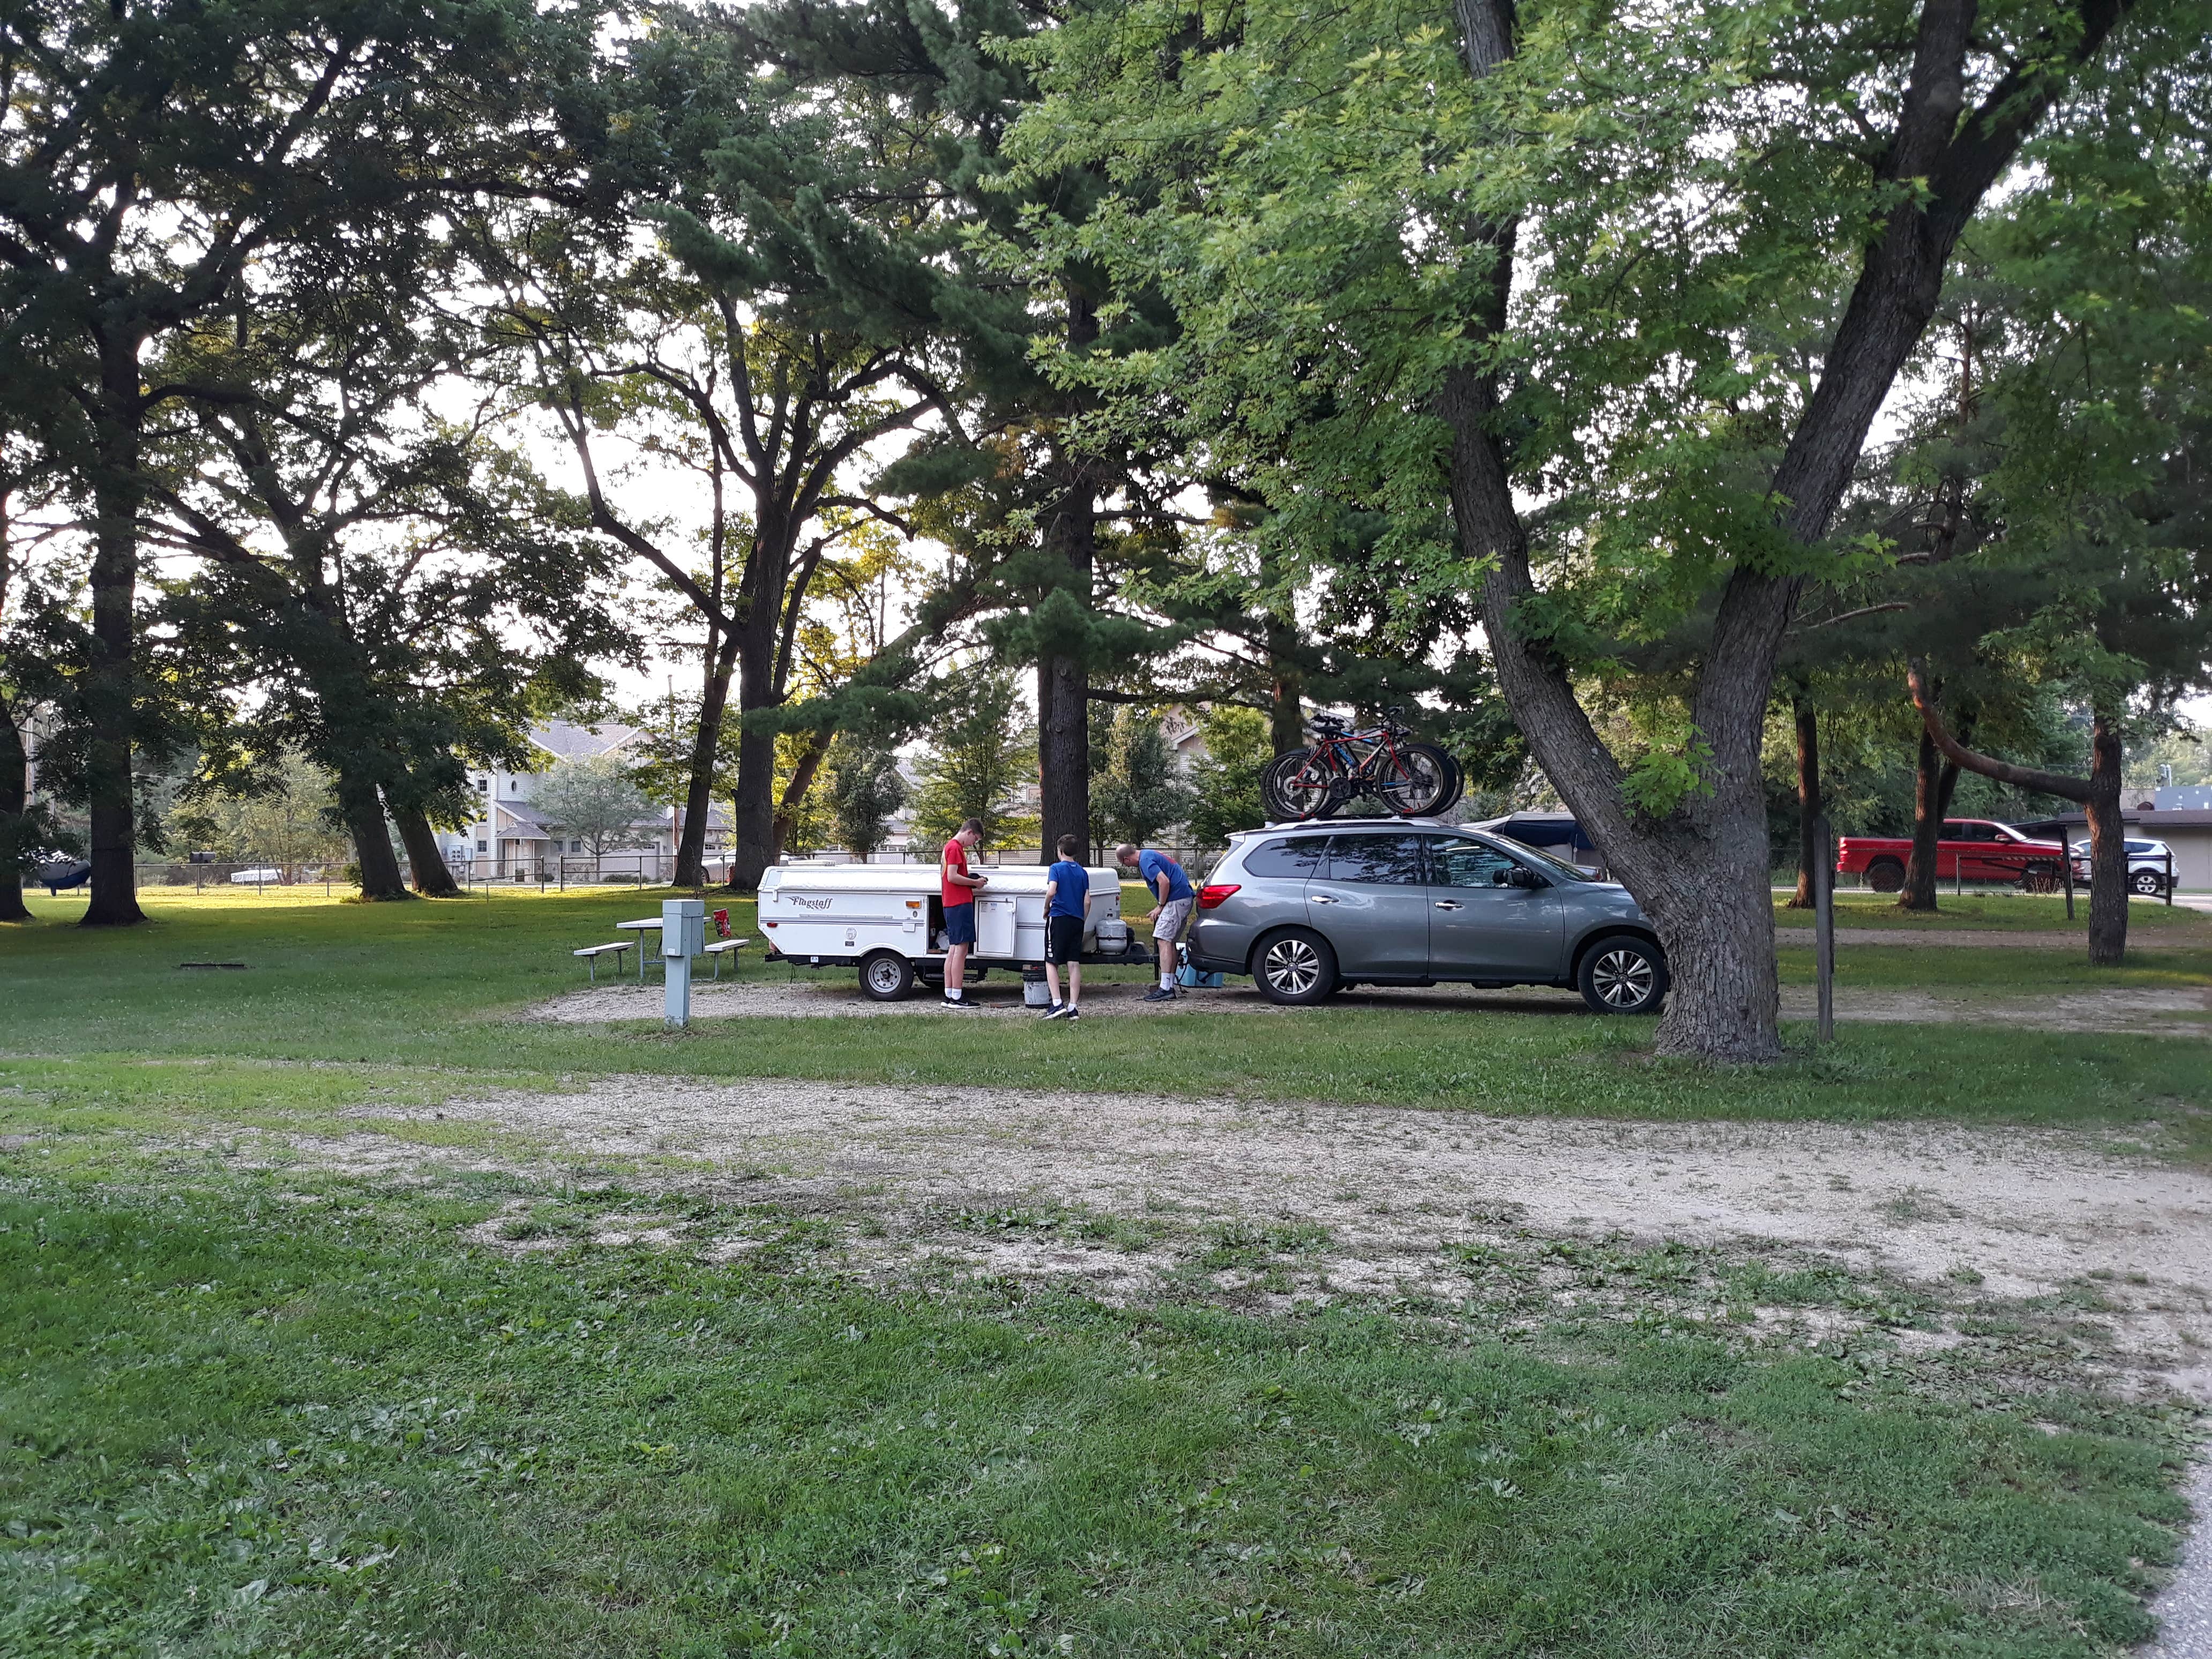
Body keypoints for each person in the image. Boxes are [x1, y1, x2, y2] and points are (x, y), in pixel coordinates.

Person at [1118, 841, 1194, 1003]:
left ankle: (1165, 989)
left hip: (1176, 900)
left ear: (1126, 859)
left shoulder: (1145, 861)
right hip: (1183, 898)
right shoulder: (1148, 854)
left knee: (1163, 940)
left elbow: (1164, 881)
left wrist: (1160, 906)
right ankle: (1168, 985)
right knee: (1169, 941)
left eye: (1124, 864)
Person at [939, 818, 989, 1008]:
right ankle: (957, 997)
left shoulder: (949, 848)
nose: (973, 844)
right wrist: (975, 883)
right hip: (959, 903)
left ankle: (950, 993)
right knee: (962, 949)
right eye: (975, 840)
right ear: (969, 833)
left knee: (954, 949)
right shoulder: (955, 848)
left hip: (951, 903)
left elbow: (954, 875)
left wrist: (971, 878)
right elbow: (952, 877)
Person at [1041, 833, 1088, 1021]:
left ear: (1060, 851)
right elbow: (1088, 901)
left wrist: (1046, 908)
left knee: (1051, 961)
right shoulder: (1082, 872)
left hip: (1059, 918)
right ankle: (1073, 1007)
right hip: (1077, 920)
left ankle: (1057, 1003)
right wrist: (1082, 919)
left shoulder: (1056, 868)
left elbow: (1052, 890)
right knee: (1073, 963)